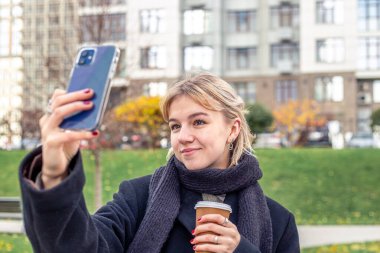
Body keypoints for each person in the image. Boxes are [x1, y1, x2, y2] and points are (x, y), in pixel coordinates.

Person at [19, 73, 300, 253]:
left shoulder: (279, 221)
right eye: (175, 126)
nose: (184, 137)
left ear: (233, 129)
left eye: (199, 121)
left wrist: (240, 251)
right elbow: (77, 247)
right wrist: (55, 174)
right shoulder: (137, 198)